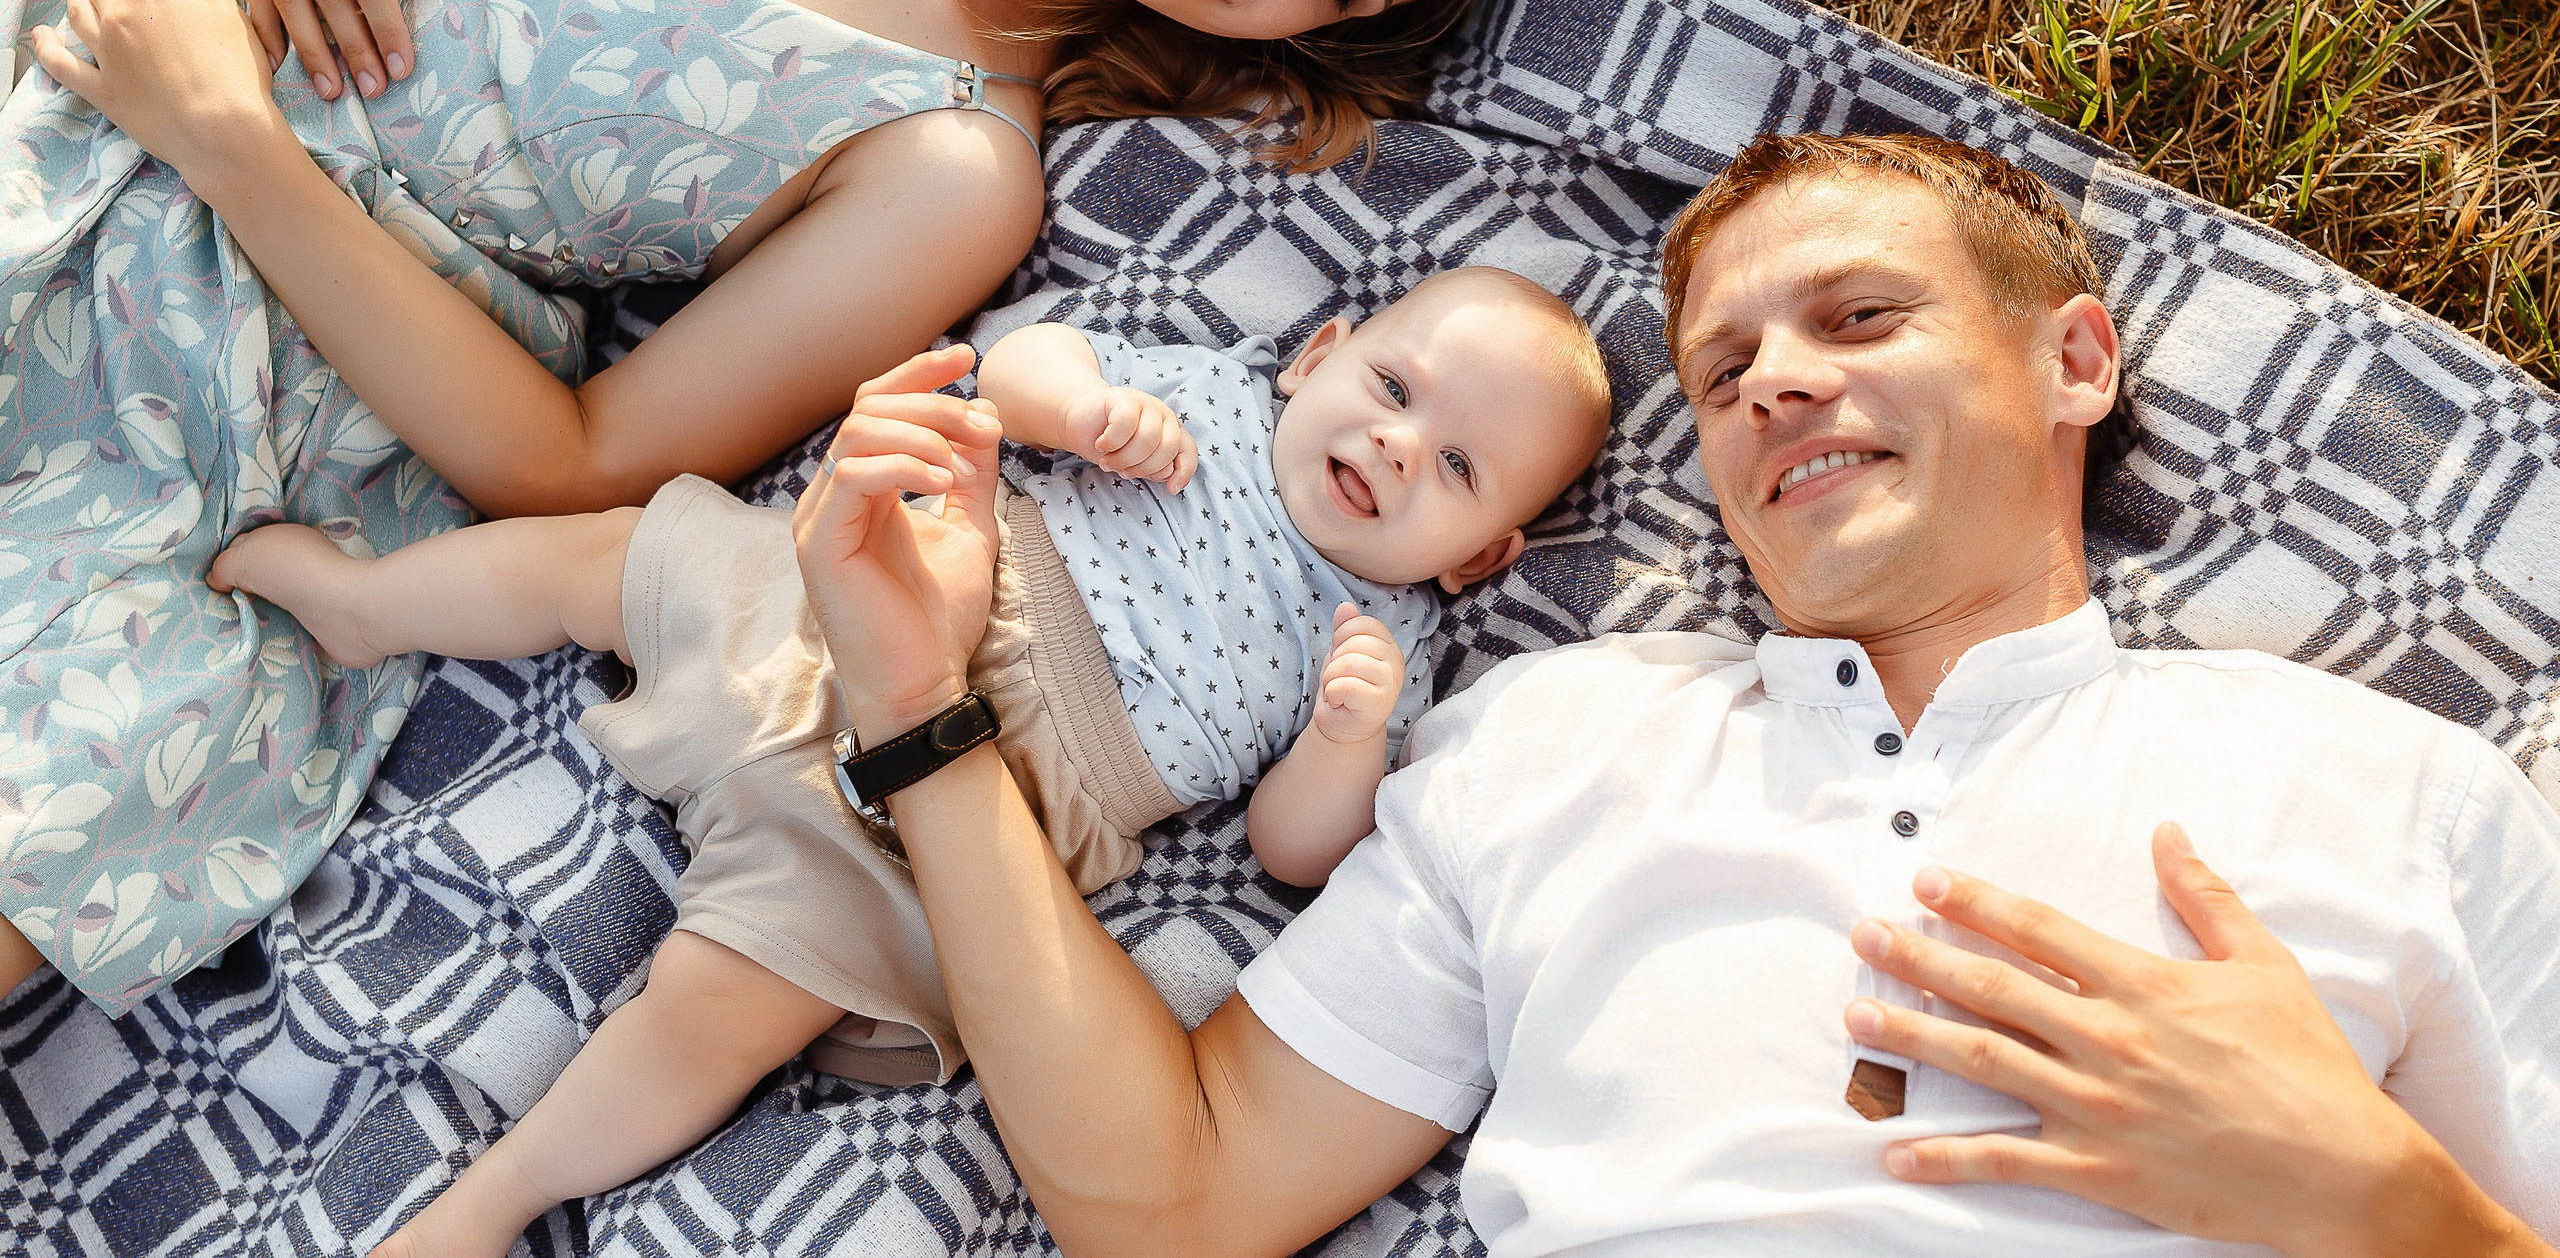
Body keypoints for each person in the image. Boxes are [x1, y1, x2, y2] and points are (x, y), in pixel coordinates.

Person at [0, 0, 1567, 1010]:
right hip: (99, 19)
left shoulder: (954, 169)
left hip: (231, 343)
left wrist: (229, 139)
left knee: (83, 760)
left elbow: (573, 461)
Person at [784, 133, 2560, 1256]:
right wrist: (921, 708)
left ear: (2075, 359)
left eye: (1860, 319)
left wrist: (2389, 1210)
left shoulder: (2402, 795)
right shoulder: (1555, 741)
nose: (1777, 381)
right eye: (1722, 371)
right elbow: (1166, 1199)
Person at [211, 264, 1610, 1255]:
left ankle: (496, 1199)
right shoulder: (1213, 400)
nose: (1396, 442)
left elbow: (1290, 853)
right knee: (626, 553)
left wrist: (1345, 739)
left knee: (735, 997)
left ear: (1480, 558)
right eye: (1393, 385)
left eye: (1460, 468)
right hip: (886, 591)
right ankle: (368, 609)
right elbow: (1021, 361)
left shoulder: (1387, 645)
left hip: (995, 791)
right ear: (1320, 354)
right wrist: (1079, 413)